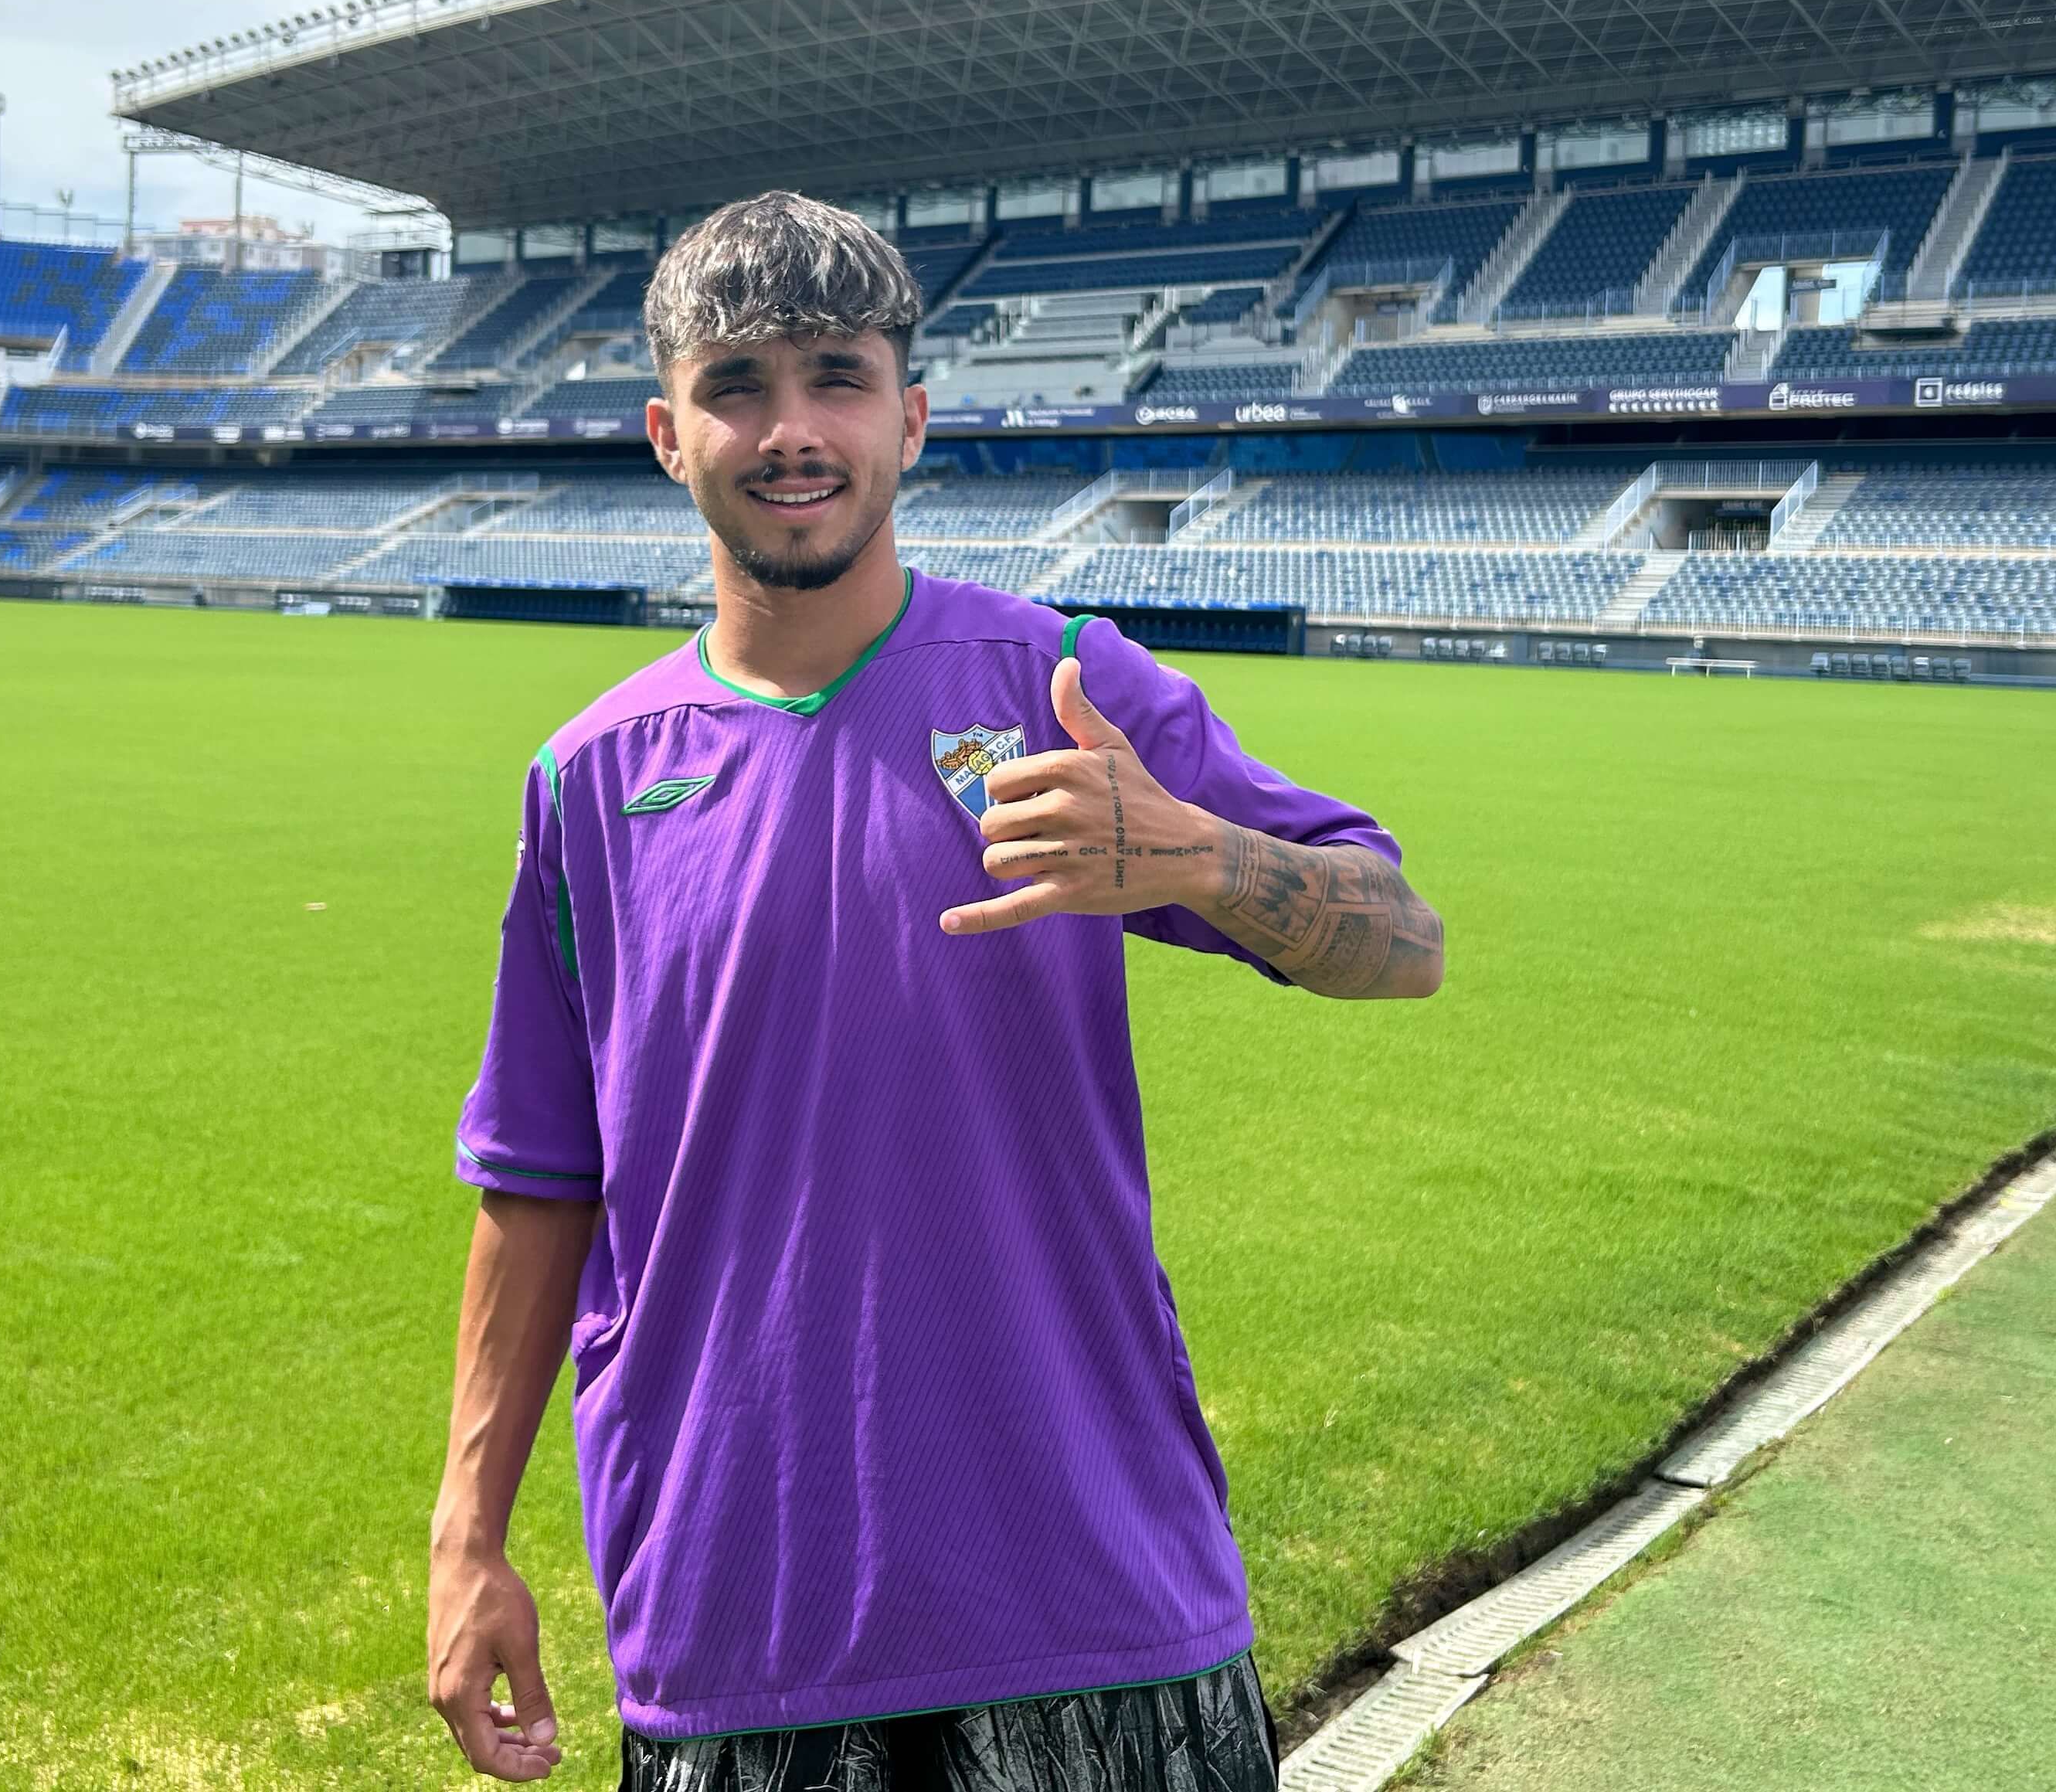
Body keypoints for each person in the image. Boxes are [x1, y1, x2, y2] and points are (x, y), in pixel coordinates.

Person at [427, 192, 1443, 1792]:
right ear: (664, 433)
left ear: (911, 416)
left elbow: (1403, 937)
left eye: (836, 376)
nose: (790, 429)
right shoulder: (591, 781)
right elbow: (538, 1180)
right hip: (734, 1620)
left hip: (1090, 1606)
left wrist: (1189, 854)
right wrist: (466, 1534)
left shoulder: (1055, 692)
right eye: (736, 385)